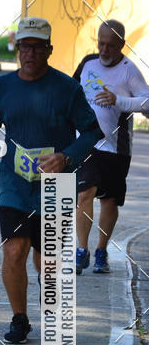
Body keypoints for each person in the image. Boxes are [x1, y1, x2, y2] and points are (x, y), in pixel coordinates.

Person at [0, 16, 102, 344]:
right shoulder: (2, 87)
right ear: (17, 49)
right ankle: (19, 319)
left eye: (36, 47)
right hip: (15, 184)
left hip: (56, 185)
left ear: (49, 50)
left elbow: (92, 131)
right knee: (14, 251)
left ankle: (52, 310)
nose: (29, 53)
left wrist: (65, 157)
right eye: (23, 46)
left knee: (47, 259)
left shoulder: (67, 89)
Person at [74, 20, 149, 274]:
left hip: (116, 149)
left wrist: (119, 101)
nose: (104, 50)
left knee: (109, 201)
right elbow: (71, 92)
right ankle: (81, 250)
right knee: (84, 194)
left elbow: (147, 104)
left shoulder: (129, 71)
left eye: (110, 46)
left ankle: (101, 250)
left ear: (122, 45)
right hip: (87, 144)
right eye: (101, 43)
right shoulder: (87, 63)